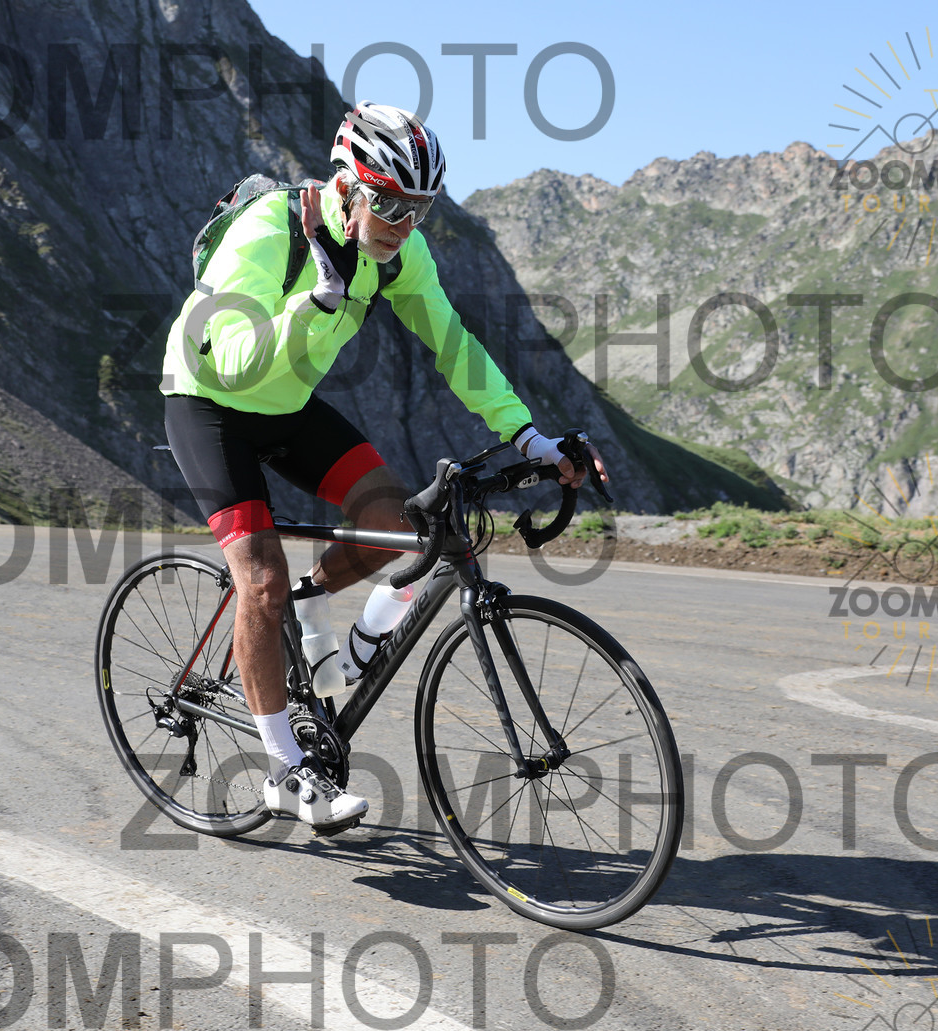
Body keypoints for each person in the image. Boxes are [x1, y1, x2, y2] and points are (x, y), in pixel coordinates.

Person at [159, 101, 608, 827]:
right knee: (260, 580)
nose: (403, 223)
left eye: (419, 209)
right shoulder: (271, 229)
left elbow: (454, 345)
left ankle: (314, 599)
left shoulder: (397, 254)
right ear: (346, 185)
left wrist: (529, 438)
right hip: (208, 400)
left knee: (394, 523)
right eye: (390, 203)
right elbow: (232, 362)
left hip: (285, 402)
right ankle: (284, 769)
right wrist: (314, 303)